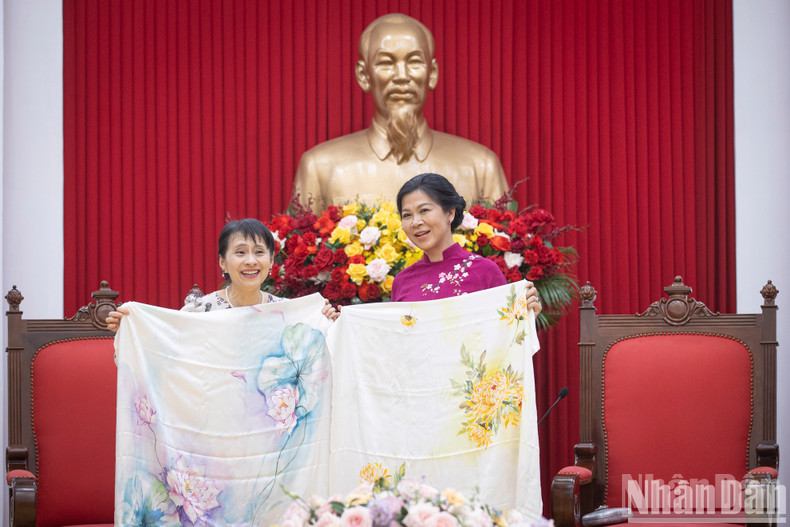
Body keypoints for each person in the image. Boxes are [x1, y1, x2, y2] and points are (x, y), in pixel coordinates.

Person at [292, 13, 509, 213]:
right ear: (364, 75)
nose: (402, 76)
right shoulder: (319, 168)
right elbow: (296, 250)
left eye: (414, 61)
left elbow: (506, 252)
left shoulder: (480, 167)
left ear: (432, 73)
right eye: (386, 63)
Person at [106, 218, 338, 331]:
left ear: (270, 261)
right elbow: (167, 354)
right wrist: (129, 330)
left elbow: (320, 360)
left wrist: (328, 323)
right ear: (223, 263)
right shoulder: (198, 312)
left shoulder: (291, 313)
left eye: (259, 252)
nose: (250, 261)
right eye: (240, 252)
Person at [391, 173, 541, 312]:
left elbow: (504, 334)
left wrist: (524, 318)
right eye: (407, 215)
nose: (415, 222)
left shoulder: (485, 272)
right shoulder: (402, 282)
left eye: (424, 210)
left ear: (450, 212)